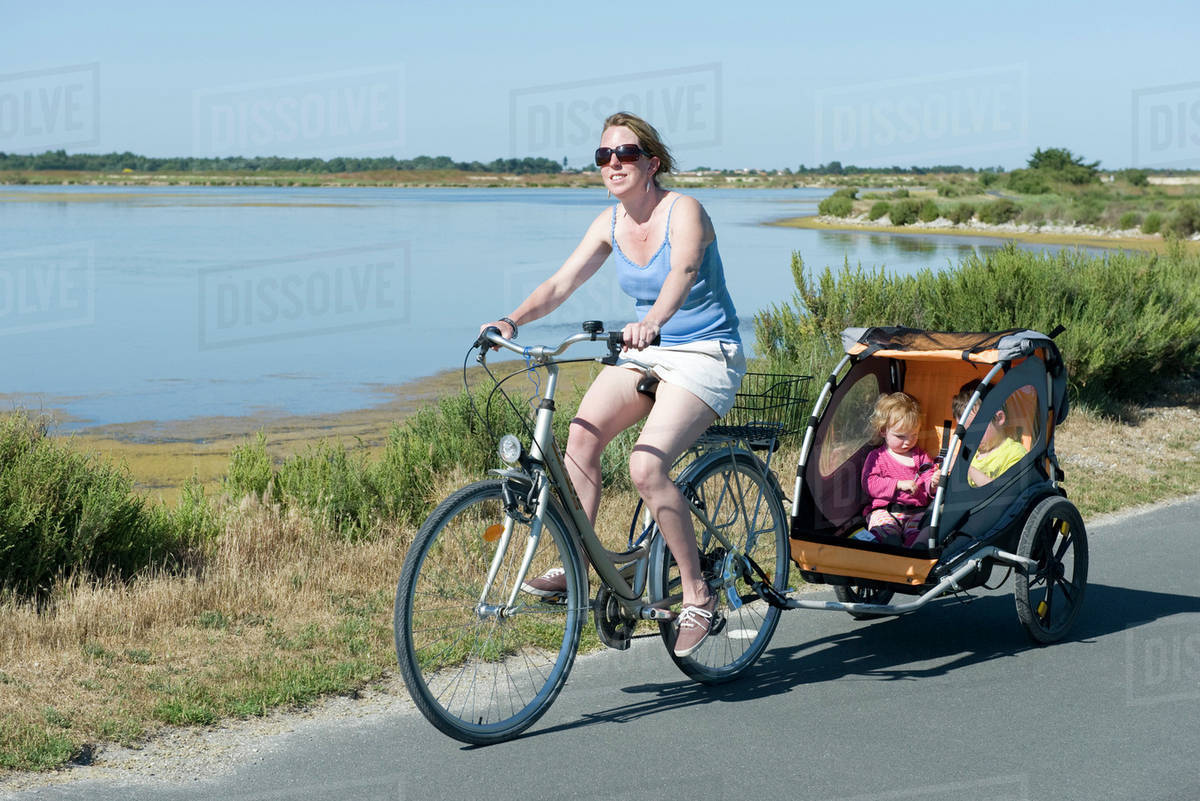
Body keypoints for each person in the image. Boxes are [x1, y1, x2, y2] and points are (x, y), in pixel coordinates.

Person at [479, 111, 745, 658]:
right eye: (604, 156)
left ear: (652, 163)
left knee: (646, 466)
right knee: (579, 437)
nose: (613, 164)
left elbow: (685, 272)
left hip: (704, 353)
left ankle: (697, 594)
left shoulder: (684, 211)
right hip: (648, 351)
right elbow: (560, 282)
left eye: (625, 154)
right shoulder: (609, 223)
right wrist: (512, 321)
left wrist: (655, 321)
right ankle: (577, 561)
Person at [858, 392, 940, 547]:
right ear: (883, 431)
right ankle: (891, 544)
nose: (908, 442)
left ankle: (914, 548)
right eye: (901, 437)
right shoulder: (877, 457)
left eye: (914, 435)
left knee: (924, 528)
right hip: (886, 510)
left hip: (916, 511)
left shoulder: (921, 456)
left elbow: (928, 477)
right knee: (882, 526)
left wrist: (933, 484)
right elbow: (869, 484)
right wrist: (898, 484)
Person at [952, 380, 1027, 487]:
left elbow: (1004, 493)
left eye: (975, 428)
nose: (970, 436)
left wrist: (967, 468)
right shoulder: (970, 454)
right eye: (966, 431)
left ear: (999, 418)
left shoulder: (1014, 453)